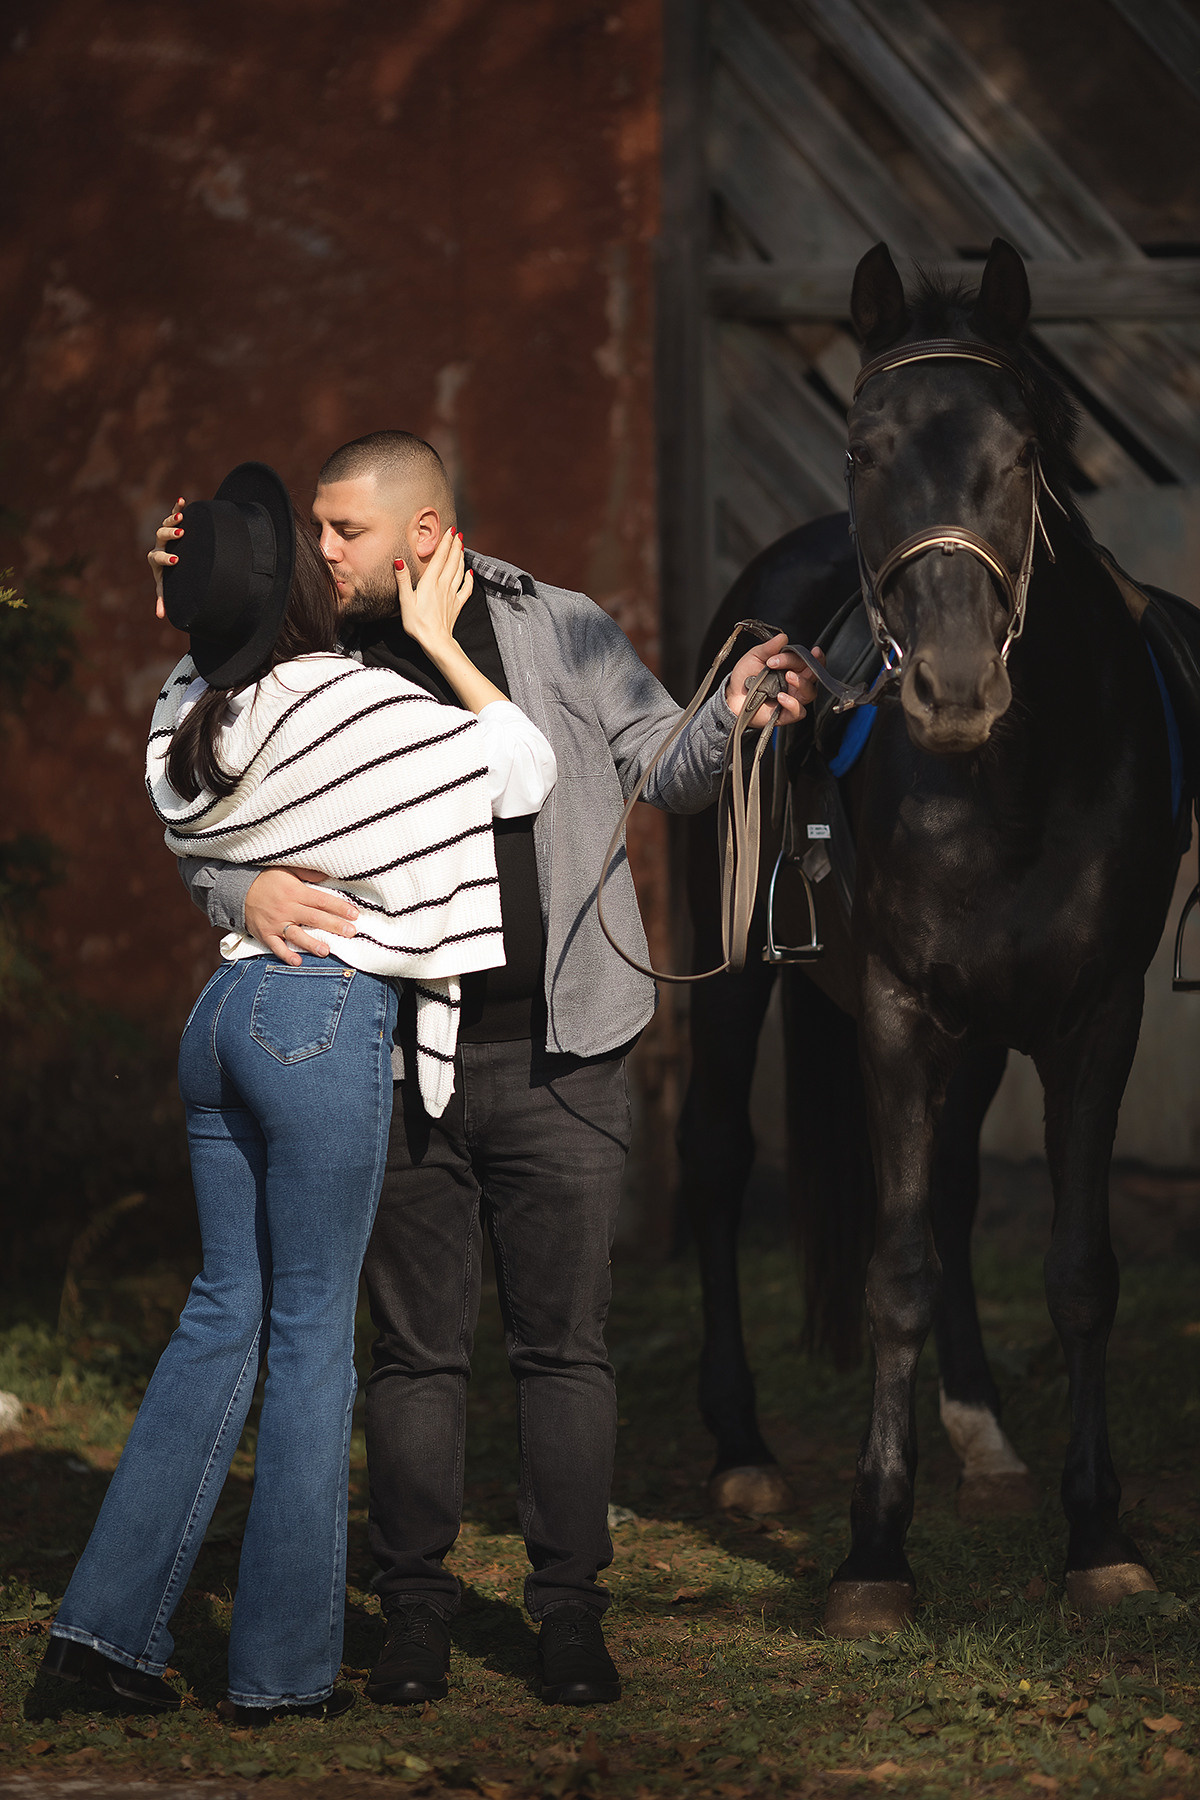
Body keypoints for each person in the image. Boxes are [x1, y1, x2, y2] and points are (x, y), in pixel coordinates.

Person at [164, 432, 818, 1708]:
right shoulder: (305, 650)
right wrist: (239, 886)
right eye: (312, 528)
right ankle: (414, 1613)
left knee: (564, 1349)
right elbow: (207, 789)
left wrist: (731, 712)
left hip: (570, 1046)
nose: (319, 549)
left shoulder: (563, 626)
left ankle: (569, 1613)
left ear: (421, 536)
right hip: (387, 1049)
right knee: (415, 1354)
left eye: (341, 529)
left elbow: (660, 766)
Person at [43, 463, 556, 1722]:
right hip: (319, 1020)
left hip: (218, 1016)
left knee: (223, 1313)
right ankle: (281, 1673)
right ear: (296, 601)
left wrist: (184, 601)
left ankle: (98, 1644)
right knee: (317, 1340)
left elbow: (192, 684)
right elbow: (522, 766)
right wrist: (442, 639)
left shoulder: (190, 725)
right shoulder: (350, 701)